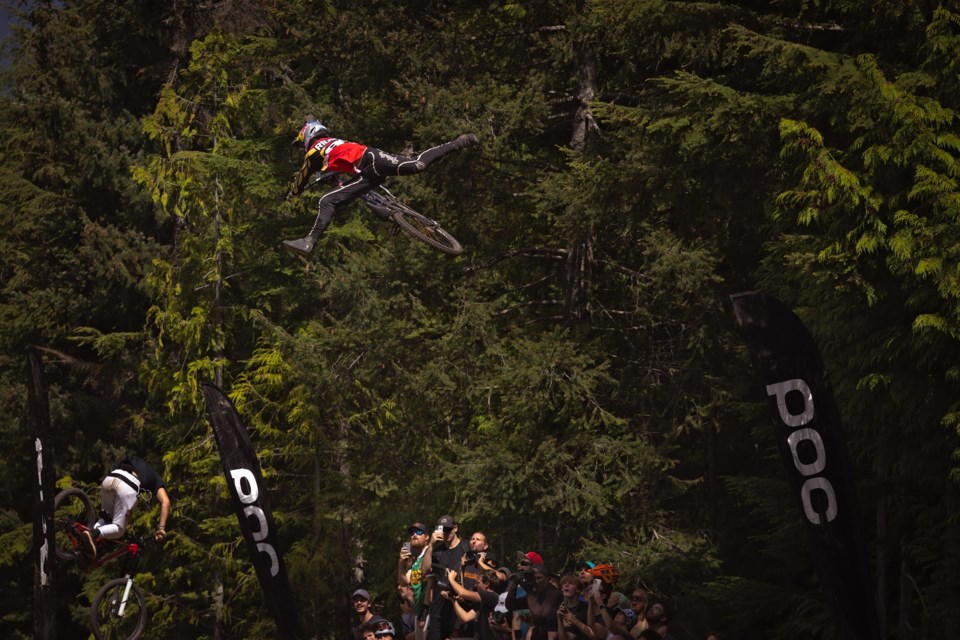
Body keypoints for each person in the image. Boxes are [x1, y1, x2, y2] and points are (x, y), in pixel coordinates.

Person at [282, 117, 479, 256]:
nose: (303, 149)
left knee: (416, 165)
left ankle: (457, 143)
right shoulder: (327, 147)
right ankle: (309, 241)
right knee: (328, 199)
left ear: (307, 136)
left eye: (302, 144)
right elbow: (339, 161)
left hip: (372, 159)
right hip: (365, 172)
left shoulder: (316, 150)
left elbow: (304, 174)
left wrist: (294, 192)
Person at [81, 455, 170, 558]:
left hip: (110, 477)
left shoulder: (132, 460)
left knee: (106, 517)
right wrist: (161, 528)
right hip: (128, 484)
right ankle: (93, 533)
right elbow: (166, 502)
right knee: (119, 529)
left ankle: (87, 542)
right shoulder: (154, 477)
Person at [426, 514, 468, 640]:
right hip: (439, 609)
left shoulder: (466, 547)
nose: (445, 533)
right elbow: (425, 570)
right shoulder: (437, 551)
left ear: (455, 528)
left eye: (448, 529)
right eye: (442, 530)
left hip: (460, 608)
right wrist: (431, 545)